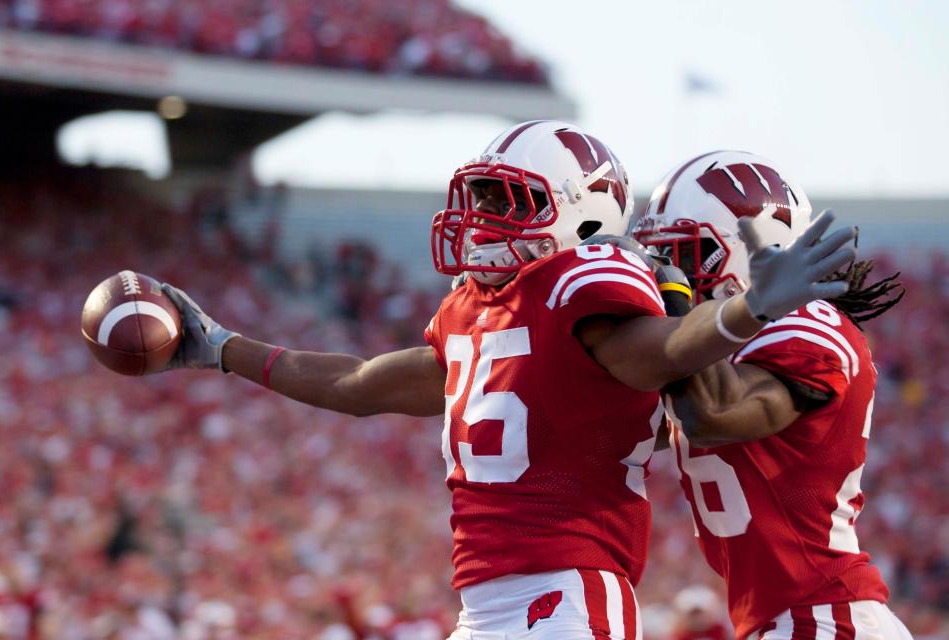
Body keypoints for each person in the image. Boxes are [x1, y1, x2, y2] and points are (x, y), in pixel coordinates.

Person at [159, 123, 856, 639]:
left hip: (567, 596)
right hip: (488, 605)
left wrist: (741, 310)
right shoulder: (477, 309)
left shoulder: (585, 283)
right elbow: (361, 383)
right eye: (481, 195)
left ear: (580, 217)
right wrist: (225, 348)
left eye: (505, 199)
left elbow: (660, 353)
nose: (483, 217)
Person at [633, 150, 910, 640]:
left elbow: (713, 413)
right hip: (785, 619)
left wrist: (673, 310)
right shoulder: (723, 344)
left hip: (825, 615)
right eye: (659, 256)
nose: (667, 271)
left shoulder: (804, 324)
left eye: (683, 256)